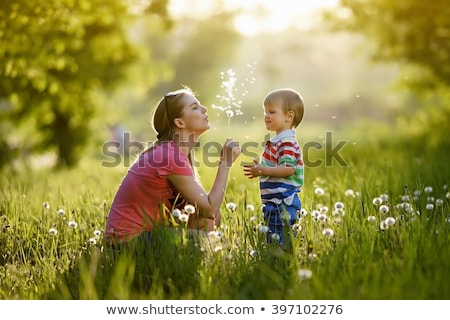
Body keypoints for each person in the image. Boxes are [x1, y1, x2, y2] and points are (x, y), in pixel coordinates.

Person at [105, 87, 241, 245]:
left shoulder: (174, 153)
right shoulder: (169, 156)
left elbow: (207, 212)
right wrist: (225, 163)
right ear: (179, 122)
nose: (204, 109)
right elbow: (209, 208)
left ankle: (193, 260)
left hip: (145, 236)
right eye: (195, 107)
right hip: (126, 243)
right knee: (203, 239)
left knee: (205, 220)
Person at [243, 88, 304, 245]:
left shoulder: (287, 143)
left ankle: (281, 263)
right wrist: (262, 168)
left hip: (283, 203)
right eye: (265, 112)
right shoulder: (279, 141)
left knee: (279, 241)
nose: (266, 116)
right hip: (276, 202)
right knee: (278, 237)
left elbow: (288, 169)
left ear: (289, 116)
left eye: (272, 112)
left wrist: (263, 170)